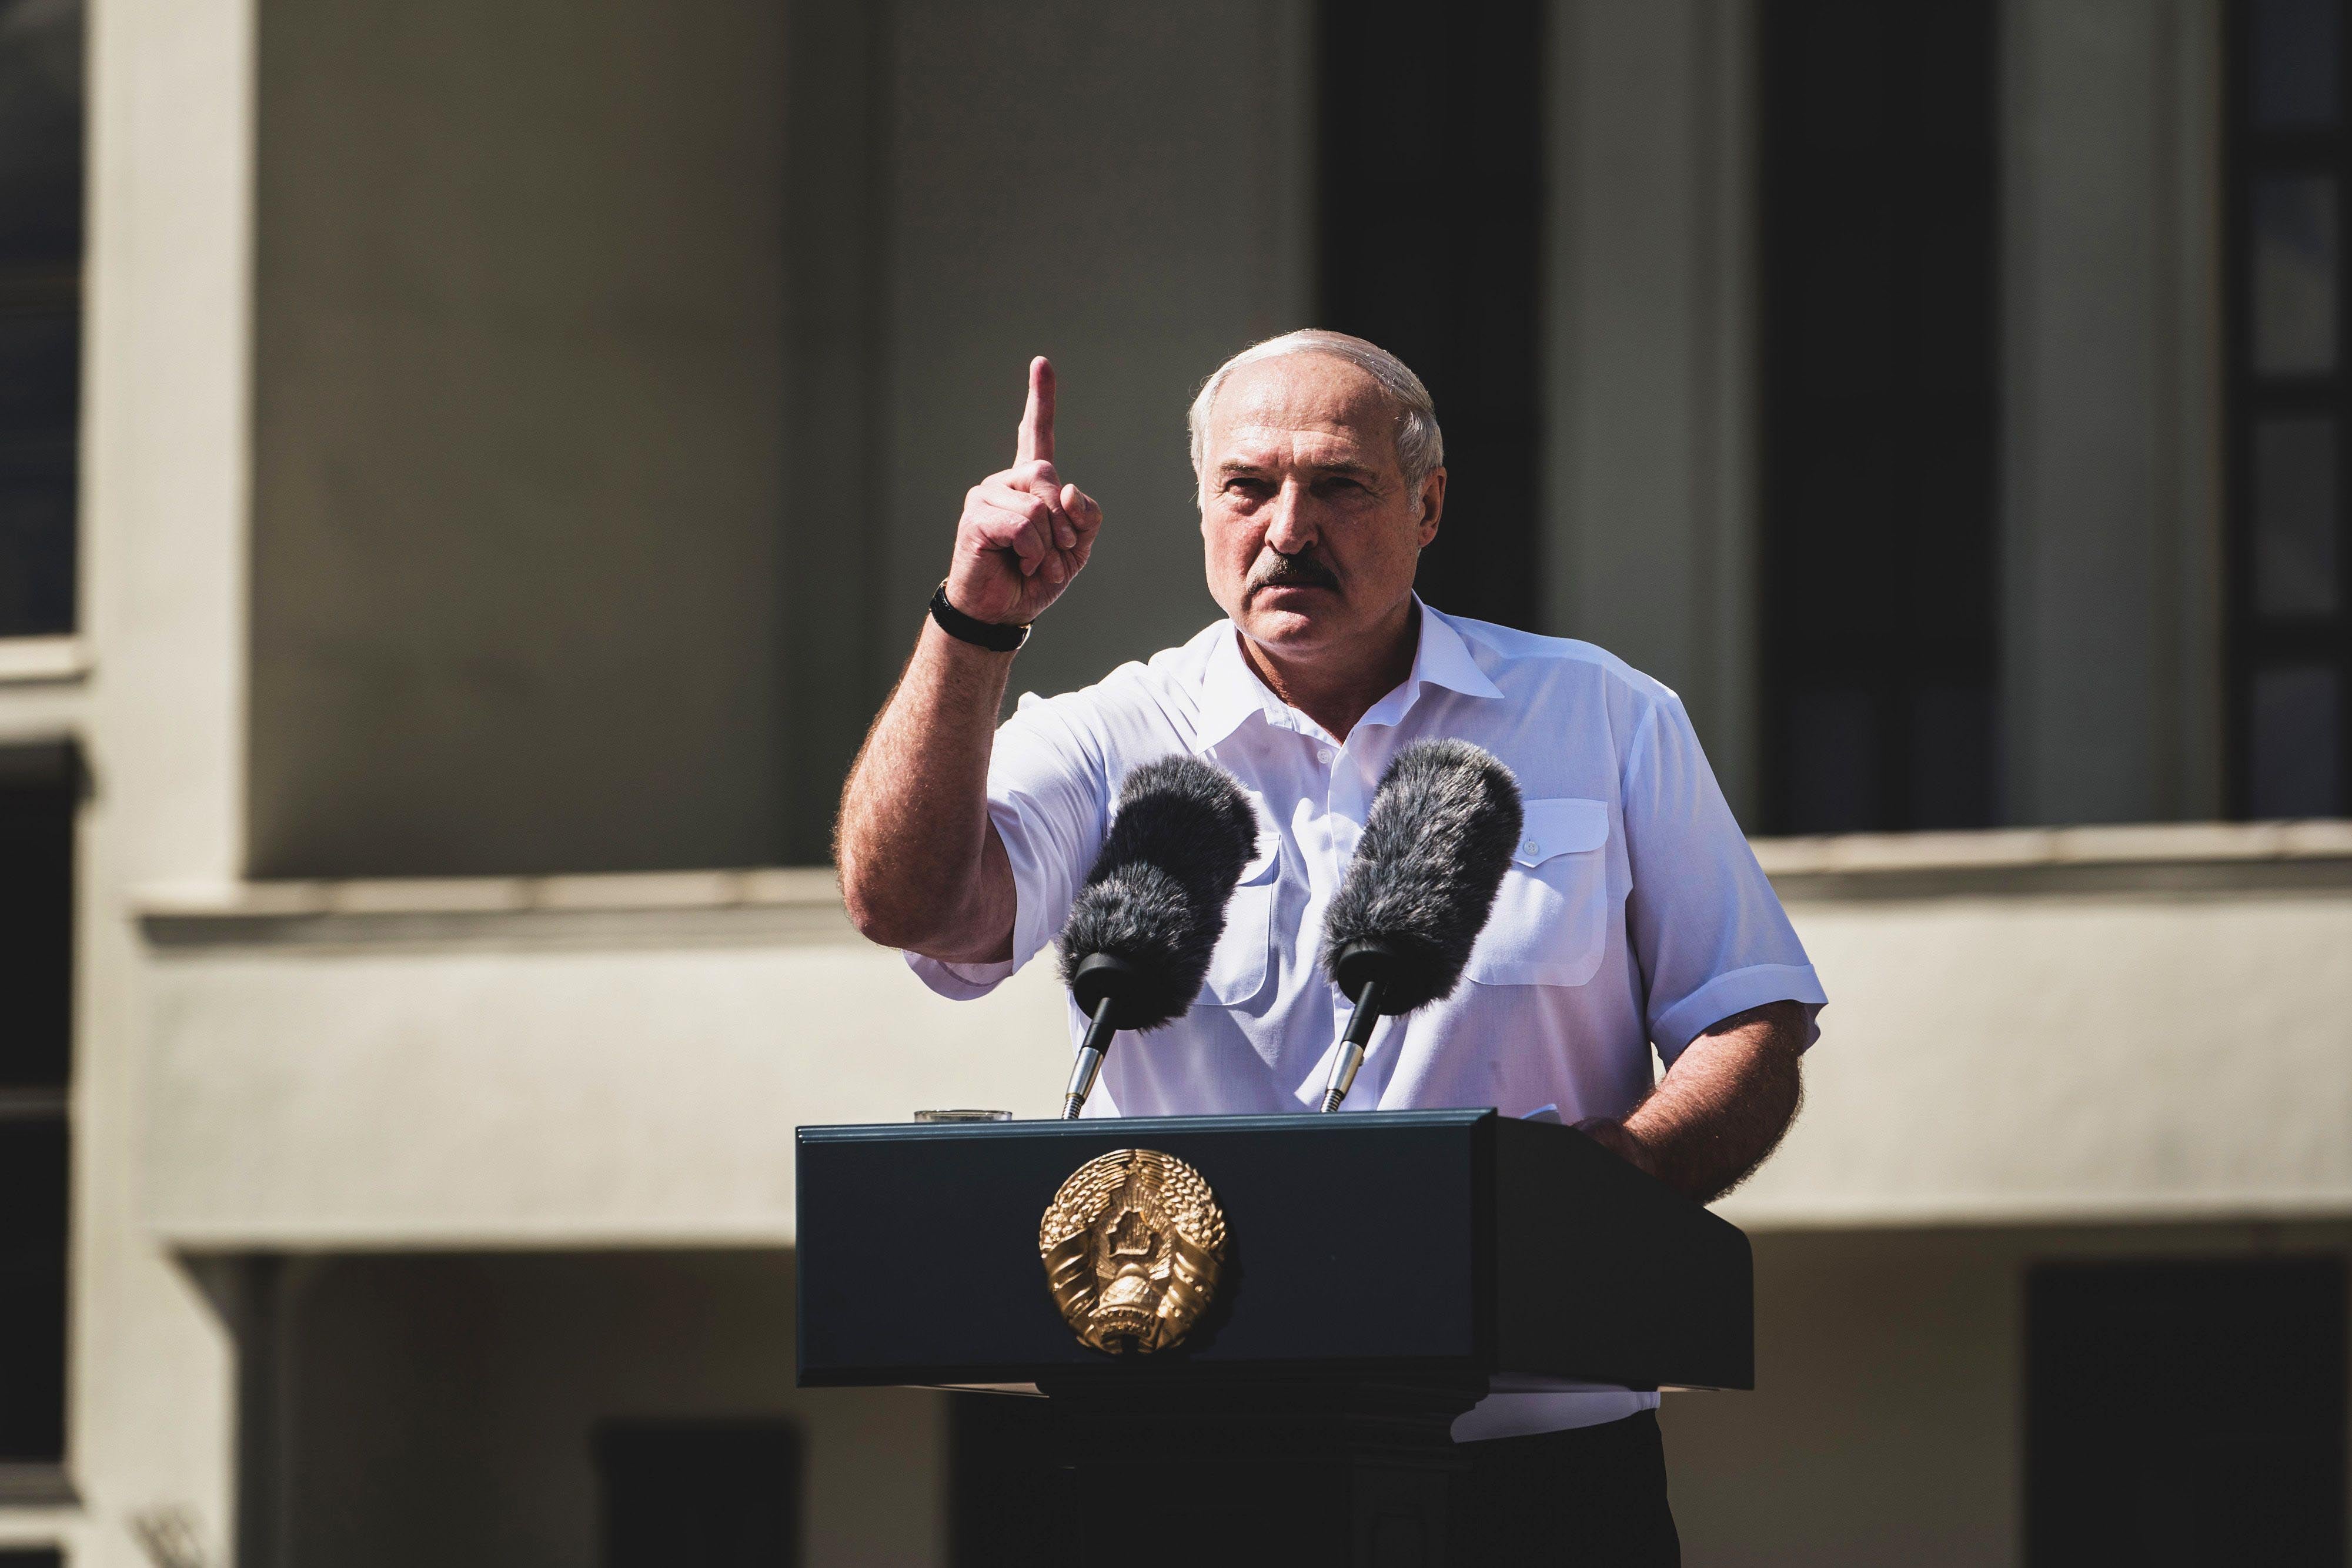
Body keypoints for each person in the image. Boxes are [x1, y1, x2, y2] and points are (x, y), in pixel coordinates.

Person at [836, 330, 1826, 1563]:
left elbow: (1749, 1018)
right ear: (1203, 507)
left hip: (1537, 1469)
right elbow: (910, 905)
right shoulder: (1110, 734)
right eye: (1247, 486)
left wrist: (1598, 1188)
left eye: (1340, 485)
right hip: (1183, 1462)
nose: (1287, 527)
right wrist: (973, 621)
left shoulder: (1604, 717)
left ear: (1427, 507)